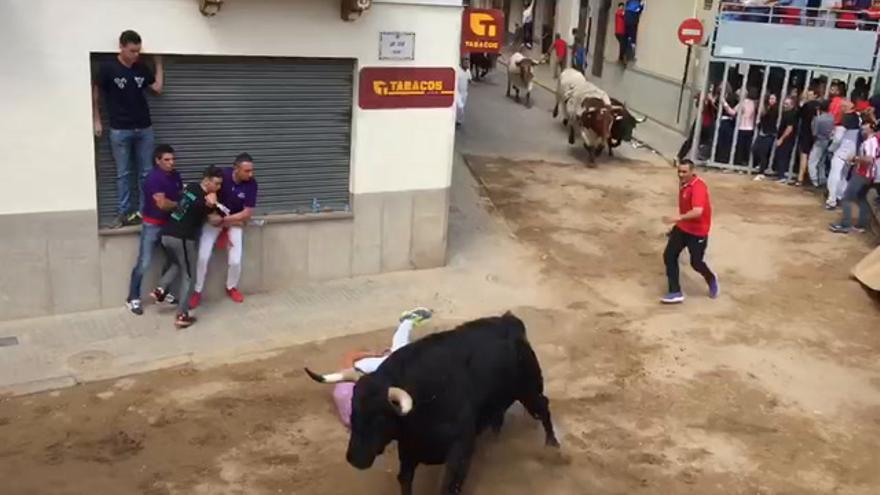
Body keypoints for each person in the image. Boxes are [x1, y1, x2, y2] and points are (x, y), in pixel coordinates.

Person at [93, 30, 164, 228]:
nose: (136, 55)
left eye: (138, 51)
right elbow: (96, 92)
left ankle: (144, 211)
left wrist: (158, 63)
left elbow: (157, 88)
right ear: (121, 47)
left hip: (144, 128)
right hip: (119, 129)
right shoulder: (108, 68)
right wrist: (97, 119)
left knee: (146, 173)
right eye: (132, 51)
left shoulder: (140, 67)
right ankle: (122, 213)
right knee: (123, 173)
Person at [331, 308, 434, 429]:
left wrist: (375, 355)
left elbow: (350, 357)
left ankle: (407, 322)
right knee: (400, 357)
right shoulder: (361, 405)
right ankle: (407, 323)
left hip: (365, 372)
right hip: (370, 376)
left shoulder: (347, 388)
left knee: (399, 355)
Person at [154, 166, 225, 328]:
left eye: (220, 184)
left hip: (166, 235)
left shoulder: (190, 187)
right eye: (216, 184)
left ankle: (160, 289)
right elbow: (213, 219)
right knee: (189, 276)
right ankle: (182, 314)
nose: (218, 188)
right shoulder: (205, 203)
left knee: (176, 264)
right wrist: (213, 206)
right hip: (182, 238)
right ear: (207, 181)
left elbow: (185, 203)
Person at [191, 153, 258, 308]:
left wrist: (226, 221)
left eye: (251, 170)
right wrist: (212, 213)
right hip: (213, 220)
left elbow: (247, 213)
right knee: (203, 256)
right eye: (246, 171)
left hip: (233, 221)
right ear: (236, 168)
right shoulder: (223, 175)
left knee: (235, 260)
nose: (250, 174)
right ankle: (197, 290)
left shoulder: (252, 184)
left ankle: (231, 287)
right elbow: (208, 191)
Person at [125, 144, 183, 315]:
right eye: (167, 160)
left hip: (170, 224)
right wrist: (178, 205)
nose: (171, 163)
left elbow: (179, 194)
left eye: (173, 159)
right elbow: (162, 203)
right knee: (144, 262)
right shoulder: (154, 178)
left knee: (174, 259)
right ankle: (132, 298)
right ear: (158, 161)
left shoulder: (176, 176)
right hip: (152, 225)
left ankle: (162, 292)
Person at [661, 159, 719, 305]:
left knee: (696, 263)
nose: (680, 175)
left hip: (698, 231)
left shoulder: (698, 187)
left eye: (684, 172)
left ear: (692, 172)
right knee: (669, 256)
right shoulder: (685, 183)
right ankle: (675, 291)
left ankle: (711, 278)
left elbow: (698, 211)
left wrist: (677, 218)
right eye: (679, 171)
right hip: (682, 228)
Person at [830, 122, 877, 233]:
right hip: (869, 175)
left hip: (863, 174)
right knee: (861, 198)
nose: (863, 130)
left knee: (847, 198)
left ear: (871, 128)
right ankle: (862, 225)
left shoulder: (870, 142)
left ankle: (845, 225)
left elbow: (869, 160)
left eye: (865, 127)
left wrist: (855, 158)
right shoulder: (874, 141)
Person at [826, 100, 861, 209]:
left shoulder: (844, 119)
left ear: (845, 108)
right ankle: (841, 196)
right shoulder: (857, 117)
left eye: (841, 107)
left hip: (843, 148)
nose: (840, 109)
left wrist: (831, 149)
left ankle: (832, 199)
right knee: (844, 174)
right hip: (854, 148)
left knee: (834, 174)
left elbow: (837, 139)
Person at [721, 86, 758, 165]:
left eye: (738, 96)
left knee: (739, 148)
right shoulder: (755, 103)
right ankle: (749, 164)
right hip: (751, 128)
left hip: (742, 128)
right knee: (748, 148)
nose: (737, 98)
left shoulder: (742, 103)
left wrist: (724, 103)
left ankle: (738, 164)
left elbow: (732, 113)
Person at [808, 99, 835, 187]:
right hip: (829, 141)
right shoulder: (832, 117)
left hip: (819, 141)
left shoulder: (818, 119)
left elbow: (814, 133)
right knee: (822, 161)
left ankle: (814, 180)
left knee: (812, 161)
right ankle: (822, 179)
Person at [796, 88, 821, 186]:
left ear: (815, 95)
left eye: (809, 94)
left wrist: (802, 103)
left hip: (806, 132)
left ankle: (800, 178)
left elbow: (799, 115)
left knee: (804, 155)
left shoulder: (807, 105)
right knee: (814, 156)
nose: (808, 96)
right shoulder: (819, 106)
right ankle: (811, 178)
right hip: (817, 134)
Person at [771, 96, 799, 182]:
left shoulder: (790, 114)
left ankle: (782, 176)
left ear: (792, 105)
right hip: (786, 138)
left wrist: (781, 139)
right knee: (782, 156)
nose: (784, 105)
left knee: (782, 156)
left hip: (787, 139)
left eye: (787, 104)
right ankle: (781, 174)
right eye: (784, 103)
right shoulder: (788, 113)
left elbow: (789, 128)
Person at [752, 93, 780, 176]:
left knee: (763, 152)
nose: (771, 100)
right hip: (763, 132)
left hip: (769, 134)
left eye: (773, 99)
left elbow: (769, 119)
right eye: (770, 98)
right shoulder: (766, 108)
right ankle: (760, 166)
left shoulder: (775, 109)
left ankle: (762, 172)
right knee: (755, 149)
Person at [456, 57, 471, 128]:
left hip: (464, 93)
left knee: (461, 107)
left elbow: (469, 80)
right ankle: (457, 121)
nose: (467, 64)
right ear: (462, 63)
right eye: (465, 63)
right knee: (460, 107)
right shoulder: (458, 71)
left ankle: (458, 121)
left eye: (468, 63)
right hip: (457, 93)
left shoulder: (468, 71)